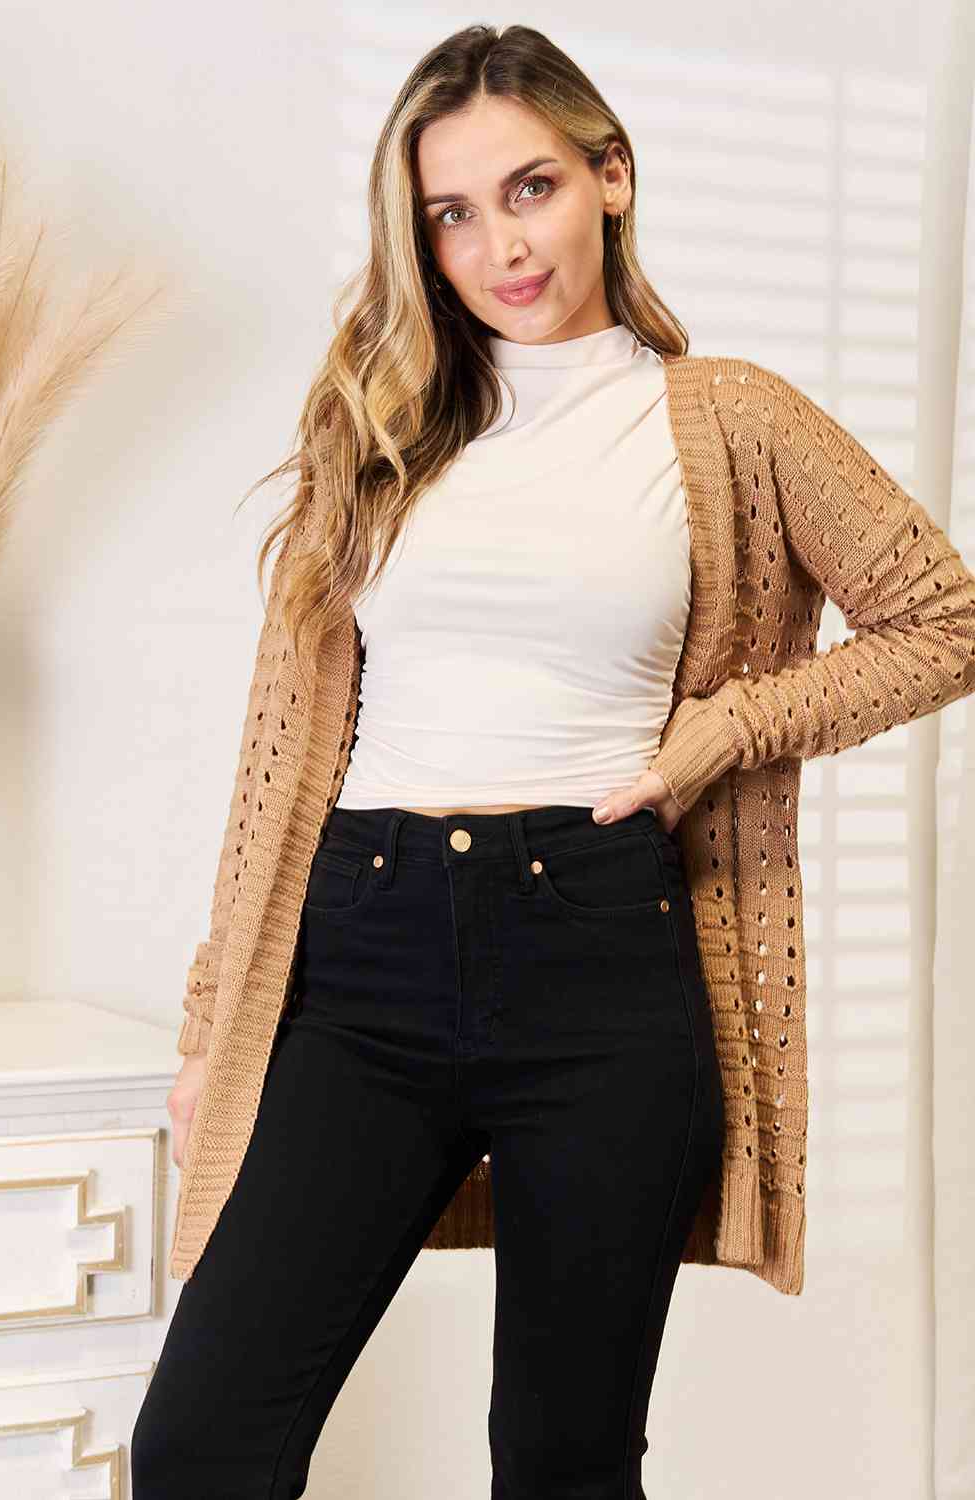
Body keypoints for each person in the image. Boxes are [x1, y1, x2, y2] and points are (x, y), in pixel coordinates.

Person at [131, 22, 975, 1500]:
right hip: (359, 957)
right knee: (200, 1445)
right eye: (452, 214)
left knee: (563, 1462)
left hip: (598, 958)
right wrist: (215, 1028)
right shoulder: (377, 429)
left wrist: (729, 729)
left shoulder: (727, 417)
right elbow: (277, 766)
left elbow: (944, 619)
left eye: (530, 188)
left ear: (611, 176)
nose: (500, 246)